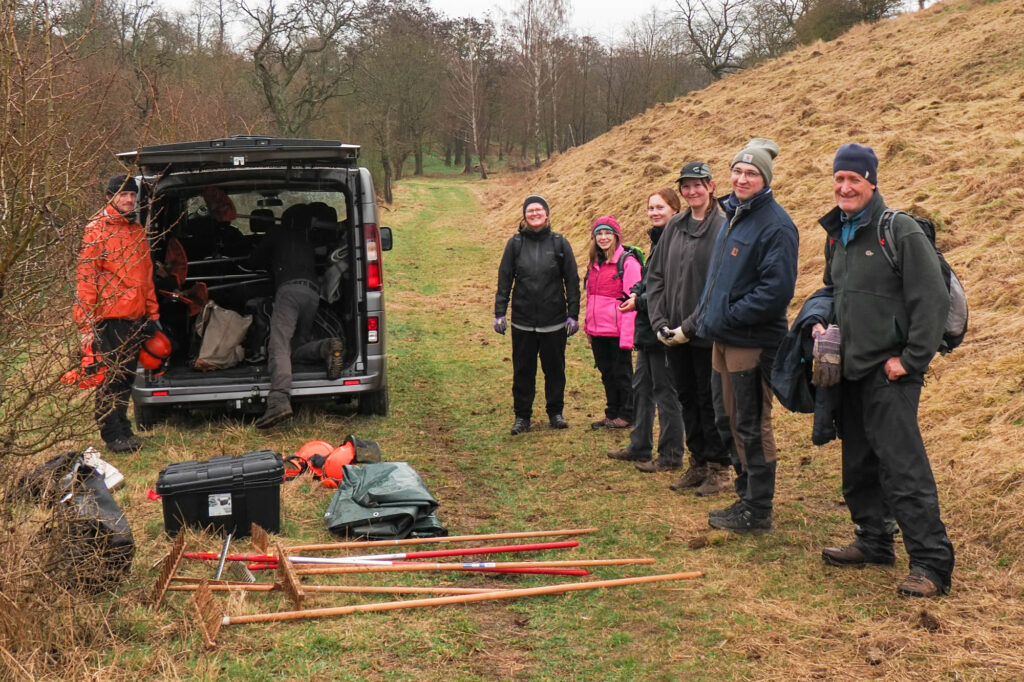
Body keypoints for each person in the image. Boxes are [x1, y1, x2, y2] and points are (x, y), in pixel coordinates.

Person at [814, 143, 954, 597]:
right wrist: (821, 321)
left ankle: (932, 564)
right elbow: (832, 288)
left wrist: (911, 360)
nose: (845, 186)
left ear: (872, 182)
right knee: (857, 463)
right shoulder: (837, 232)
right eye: (839, 178)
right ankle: (873, 540)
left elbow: (930, 301)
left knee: (903, 467)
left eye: (854, 179)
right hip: (849, 369)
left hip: (890, 372)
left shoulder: (901, 230)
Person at [689, 139, 799, 532]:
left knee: (751, 422)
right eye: (738, 171)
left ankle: (758, 508)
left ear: (765, 180)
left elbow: (776, 292)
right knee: (727, 419)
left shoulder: (777, 226)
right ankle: (744, 495)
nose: (742, 178)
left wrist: (729, 316)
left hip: (751, 342)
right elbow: (718, 281)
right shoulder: (734, 216)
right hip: (722, 337)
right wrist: (706, 317)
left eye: (751, 173)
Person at [644, 163, 732, 494]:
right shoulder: (676, 226)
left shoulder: (723, 226)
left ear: (711, 186)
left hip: (705, 334)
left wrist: (690, 327)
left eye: (698, 185)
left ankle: (719, 469)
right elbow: (657, 278)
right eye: (686, 186)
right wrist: (660, 323)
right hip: (672, 335)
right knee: (687, 398)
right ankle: (697, 463)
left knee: (711, 401)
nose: (692, 191)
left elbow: (719, 285)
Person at [74, 175, 160, 454]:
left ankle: (124, 429)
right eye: (124, 195)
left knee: (126, 377)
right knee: (110, 378)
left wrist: (152, 313)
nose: (129, 200)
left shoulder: (135, 230)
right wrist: (86, 323)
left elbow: (145, 276)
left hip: (135, 317)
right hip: (109, 318)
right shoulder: (97, 230)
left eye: (133, 196)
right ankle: (112, 435)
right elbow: (86, 278)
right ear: (109, 196)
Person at [607, 189, 685, 468]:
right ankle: (639, 446)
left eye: (660, 207)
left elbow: (672, 288)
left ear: (675, 209)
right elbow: (652, 280)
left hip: (664, 327)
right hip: (647, 329)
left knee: (666, 393)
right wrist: (637, 292)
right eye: (650, 207)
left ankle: (671, 455)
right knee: (641, 388)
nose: (654, 212)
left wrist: (639, 300)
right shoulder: (658, 239)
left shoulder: (677, 240)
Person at [251, 203, 344, 429]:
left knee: (279, 345)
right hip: (312, 293)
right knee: (296, 346)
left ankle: (279, 400)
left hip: (289, 291)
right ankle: (325, 347)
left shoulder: (276, 233)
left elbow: (254, 261)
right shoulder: (307, 239)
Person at [494, 195, 580, 435]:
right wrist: (500, 312)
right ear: (524, 215)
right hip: (523, 321)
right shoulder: (515, 244)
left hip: (554, 320)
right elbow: (504, 279)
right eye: (530, 211)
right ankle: (522, 417)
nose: (534, 214)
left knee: (555, 369)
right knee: (523, 370)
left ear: (547, 214)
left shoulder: (560, 244)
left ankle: (556, 412)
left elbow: (572, 281)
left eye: (539, 210)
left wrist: (573, 314)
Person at [583, 216, 641, 430]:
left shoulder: (628, 262)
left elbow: (631, 302)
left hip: (617, 332)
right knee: (607, 373)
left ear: (616, 236)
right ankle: (612, 412)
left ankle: (627, 414)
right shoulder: (594, 263)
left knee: (622, 374)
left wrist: (627, 337)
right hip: (598, 330)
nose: (603, 237)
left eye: (608, 233)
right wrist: (588, 326)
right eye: (599, 233)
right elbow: (590, 297)